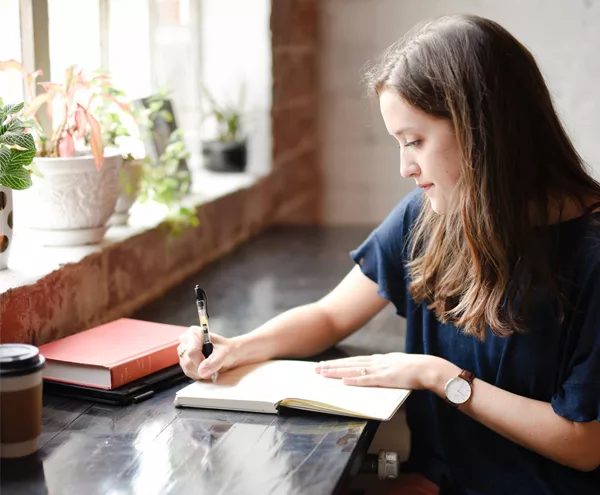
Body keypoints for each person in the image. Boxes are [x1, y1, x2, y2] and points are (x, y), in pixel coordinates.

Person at [177, 14, 600, 495]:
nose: (405, 167)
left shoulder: (591, 255)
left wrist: (440, 377)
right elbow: (330, 316)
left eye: (416, 141)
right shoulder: (428, 217)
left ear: (483, 130)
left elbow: (583, 443)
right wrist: (238, 348)